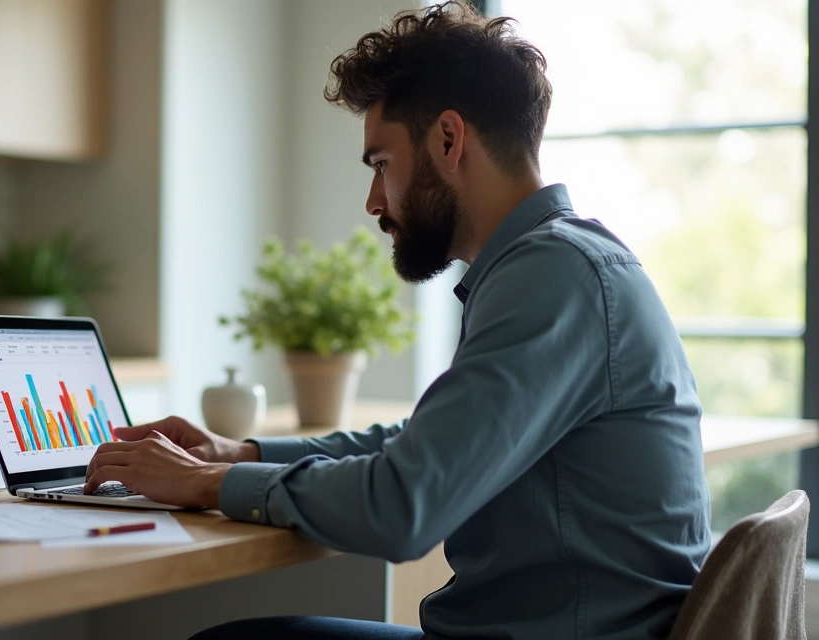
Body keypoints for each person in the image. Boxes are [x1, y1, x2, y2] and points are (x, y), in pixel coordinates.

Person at [82, 2, 710, 638]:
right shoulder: (559, 264)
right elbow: (416, 448)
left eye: (381, 164)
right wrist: (238, 452)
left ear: (447, 139)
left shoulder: (555, 277)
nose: (374, 201)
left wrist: (211, 483)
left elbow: (403, 506)